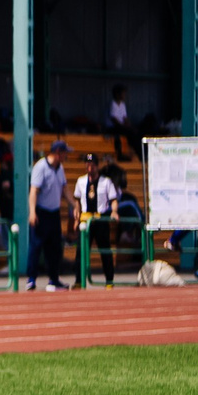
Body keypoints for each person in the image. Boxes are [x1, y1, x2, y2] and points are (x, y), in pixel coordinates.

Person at [27, 137, 70, 289]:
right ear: (58, 152)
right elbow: (33, 191)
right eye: (65, 153)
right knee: (36, 246)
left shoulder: (60, 168)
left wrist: (73, 205)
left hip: (54, 213)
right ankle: (31, 278)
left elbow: (65, 189)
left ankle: (54, 278)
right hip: (42, 212)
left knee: (55, 248)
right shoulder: (41, 167)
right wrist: (32, 212)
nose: (66, 156)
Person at [75, 155, 121, 287]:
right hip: (85, 219)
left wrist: (114, 211)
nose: (90, 167)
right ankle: (79, 281)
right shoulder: (81, 181)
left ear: (97, 166)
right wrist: (76, 214)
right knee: (81, 251)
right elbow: (77, 200)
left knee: (105, 251)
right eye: (88, 164)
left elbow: (113, 200)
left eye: (93, 165)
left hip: (100, 218)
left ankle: (109, 281)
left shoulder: (106, 182)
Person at [106, 85, 135, 162]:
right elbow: (113, 119)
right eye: (123, 93)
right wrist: (123, 126)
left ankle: (132, 153)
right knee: (121, 134)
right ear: (117, 94)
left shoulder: (122, 104)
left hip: (121, 127)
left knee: (134, 131)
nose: (124, 95)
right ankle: (120, 154)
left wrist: (129, 124)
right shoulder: (112, 104)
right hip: (112, 127)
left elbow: (124, 118)